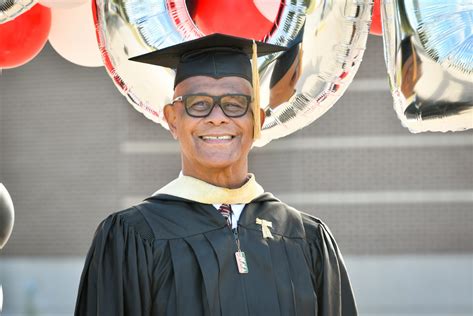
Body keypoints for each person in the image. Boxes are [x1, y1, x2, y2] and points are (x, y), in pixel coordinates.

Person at [75, 33, 358, 316]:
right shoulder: (132, 237)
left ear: (257, 120)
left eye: (235, 104)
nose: (217, 117)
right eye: (198, 104)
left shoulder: (306, 237)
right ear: (173, 119)